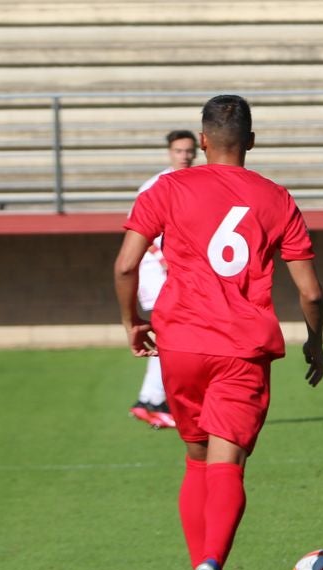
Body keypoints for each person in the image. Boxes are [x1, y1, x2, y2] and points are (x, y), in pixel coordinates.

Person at [114, 95, 323, 570]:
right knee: (227, 463)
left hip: (181, 344)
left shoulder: (166, 188)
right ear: (252, 142)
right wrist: (315, 342)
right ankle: (211, 567)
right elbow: (311, 292)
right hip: (242, 348)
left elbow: (125, 264)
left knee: (195, 460)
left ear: (202, 141)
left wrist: (132, 324)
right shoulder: (276, 198)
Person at [128, 129, 198, 429]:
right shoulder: (155, 185)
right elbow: (142, 231)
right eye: (178, 150)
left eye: (188, 150)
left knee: (175, 337)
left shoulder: (197, 181)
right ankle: (151, 401)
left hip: (179, 273)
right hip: (157, 274)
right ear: (170, 152)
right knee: (169, 337)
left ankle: (158, 400)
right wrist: (164, 259)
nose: (184, 155)